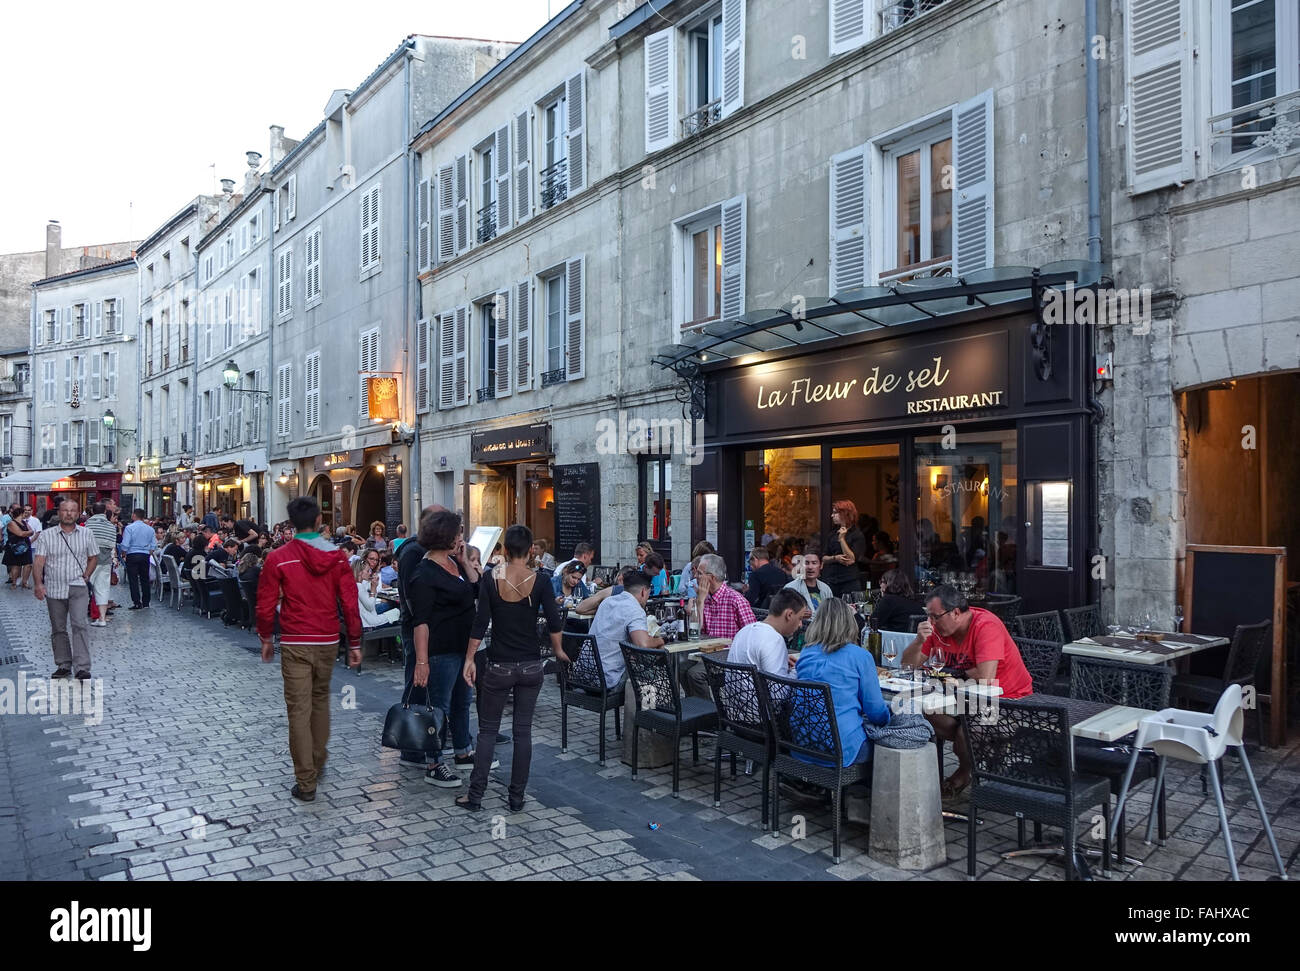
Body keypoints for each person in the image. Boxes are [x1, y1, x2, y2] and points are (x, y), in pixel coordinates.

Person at [257, 496, 362, 802]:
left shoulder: (279, 557)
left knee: (298, 711)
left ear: (291, 524)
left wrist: (266, 637)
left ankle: (306, 781)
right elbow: (350, 602)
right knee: (320, 702)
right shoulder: (337, 557)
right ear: (319, 522)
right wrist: (355, 641)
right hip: (327, 638)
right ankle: (317, 759)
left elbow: (265, 603)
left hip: (296, 640)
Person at [457, 524, 567, 812]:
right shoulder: (540, 580)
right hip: (531, 665)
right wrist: (558, 650)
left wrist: (469, 658)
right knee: (523, 732)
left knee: (487, 731)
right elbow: (554, 620)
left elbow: (480, 622)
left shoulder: (492, 578)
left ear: (505, 550)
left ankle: (476, 795)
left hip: (499, 665)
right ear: (530, 551)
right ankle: (516, 797)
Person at [899, 583, 1034, 797]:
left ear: (955, 613)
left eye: (935, 616)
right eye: (928, 616)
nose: (931, 622)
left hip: (1008, 701)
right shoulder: (937, 630)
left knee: (969, 731)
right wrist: (918, 641)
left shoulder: (985, 625)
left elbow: (986, 677)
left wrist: (954, 674)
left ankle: (965, 771)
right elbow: (907, 666)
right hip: (963, 700)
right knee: (921, 713)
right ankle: (978, 753)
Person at [408, 509, 482, 788]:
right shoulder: (424, 573)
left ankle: (463, 750)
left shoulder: (454, 563)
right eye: (458, 533)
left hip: (463, 648)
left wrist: (464, 563)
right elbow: (421, 622)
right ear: (445, 537)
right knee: (438, 708)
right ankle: (434, 762)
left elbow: (476, 590)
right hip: (441, 651)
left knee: (462, 701)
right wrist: (422, 662)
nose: (461, 538)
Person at [793, 598, 891, 768]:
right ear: (849, 623)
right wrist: (891, 717)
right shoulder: (860, 656)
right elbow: (876, 712)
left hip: (802, 743)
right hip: (841, 750)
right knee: (891, 740)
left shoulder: (807, 652)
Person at [33, 499, 99, 681]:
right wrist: (38, 584)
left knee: (79, 625)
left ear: (78, 514)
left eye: (72, 510)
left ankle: (82, 667)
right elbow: (39, 561)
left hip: (78, 586)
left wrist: (87, 574)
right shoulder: (47, 535)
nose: (69, 514)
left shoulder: (87, 533)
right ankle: (63, 664)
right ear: (59, 513)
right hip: (54, 588)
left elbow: (93, 557)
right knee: (58, 628)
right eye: (65, 510)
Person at [681, 553, 756, 699]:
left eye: (700, 573)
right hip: (706, 652)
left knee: (695, 674)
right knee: (681, 668)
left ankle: (707, 710)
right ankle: (696, 704)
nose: (695, 576)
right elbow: (695, 633)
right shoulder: (704, 598)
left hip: (729, 656)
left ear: (712, 577)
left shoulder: (735, 600)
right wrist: (700, 602)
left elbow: (752, 635)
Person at [589, 569, 664, 689]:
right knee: (653, 674)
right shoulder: (635, 609)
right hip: (606, 679)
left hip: (585, 673)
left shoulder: (607, 602)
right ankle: (654, 702)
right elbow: (642, 644)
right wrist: (660, 640)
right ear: (644, 592)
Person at [727, 588, 809, 676]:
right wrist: (797, 669)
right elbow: (778, 684)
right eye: (800, 618)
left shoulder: (744, 630)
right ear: (789, 615)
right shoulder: (774, 640)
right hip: (758, 685)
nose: (800, 624)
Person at [821, 500, 869, 597]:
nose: (832, 515)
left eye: (835, 513)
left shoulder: (857, 535)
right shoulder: (832, 534)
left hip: (849, 580)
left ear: (845, 514)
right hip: (831, 580)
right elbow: (824, 558)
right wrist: (835, 558)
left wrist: (842, 539)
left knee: (849, 605)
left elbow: (851, 560)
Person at [84, 503, 118, 628]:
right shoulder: (111, 526)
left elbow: (84, 543)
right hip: (106, 560)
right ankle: (102, 618)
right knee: (103, 589)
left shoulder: (88, 524)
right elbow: (112, 544)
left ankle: (80, 616)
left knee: (85, 588)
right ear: (104, 512)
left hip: (90, 560)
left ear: (93, 511)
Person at [119, 508, 156, 610]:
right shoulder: (150, 529)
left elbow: (125, 544)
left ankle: (137, 602)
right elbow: (153, 545)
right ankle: (146, 602)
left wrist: (124, 553)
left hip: (132, 554)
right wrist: (148, 552)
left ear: (134, 515)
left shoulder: (129, 528)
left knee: (133, 579)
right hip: (144, 555)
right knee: (145, 579)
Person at [784, 549, 832, 613]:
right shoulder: (790, 588)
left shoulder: (826, 589)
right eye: (806, 563)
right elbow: (783, 613)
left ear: (821, 565)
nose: (810, 567)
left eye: (814, 563)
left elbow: (831, 613)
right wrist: (798, 615)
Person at [353, 558, 397, 628]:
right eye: (367, 571)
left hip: (365, 620)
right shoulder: (359, 586)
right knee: (398, 612)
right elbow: (370, 606)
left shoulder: (355, 585)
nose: (370, 573)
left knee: (394, 611)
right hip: (369, 623)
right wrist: (373, 588)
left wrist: (374, 587)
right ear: (360, 572)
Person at [872, 568, 917, 632]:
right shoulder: (913, 601)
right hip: (914, 638)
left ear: (889, 584)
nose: (880, 585)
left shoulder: (888, 600)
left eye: (882, 582)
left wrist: (855, 614)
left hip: (894, 638)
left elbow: (872, 624)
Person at [4, 505, 34, 588]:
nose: (26, 514)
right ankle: (14, 583)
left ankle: (24, 582)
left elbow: (31, 531)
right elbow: (21, 533)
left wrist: (27, 533)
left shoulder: (24, 522)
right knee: (16, 564)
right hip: (15, 546)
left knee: (28, 564)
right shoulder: (11, 523)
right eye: (24, 512)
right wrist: (28, 533)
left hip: (26, 545)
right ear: (20, 514)